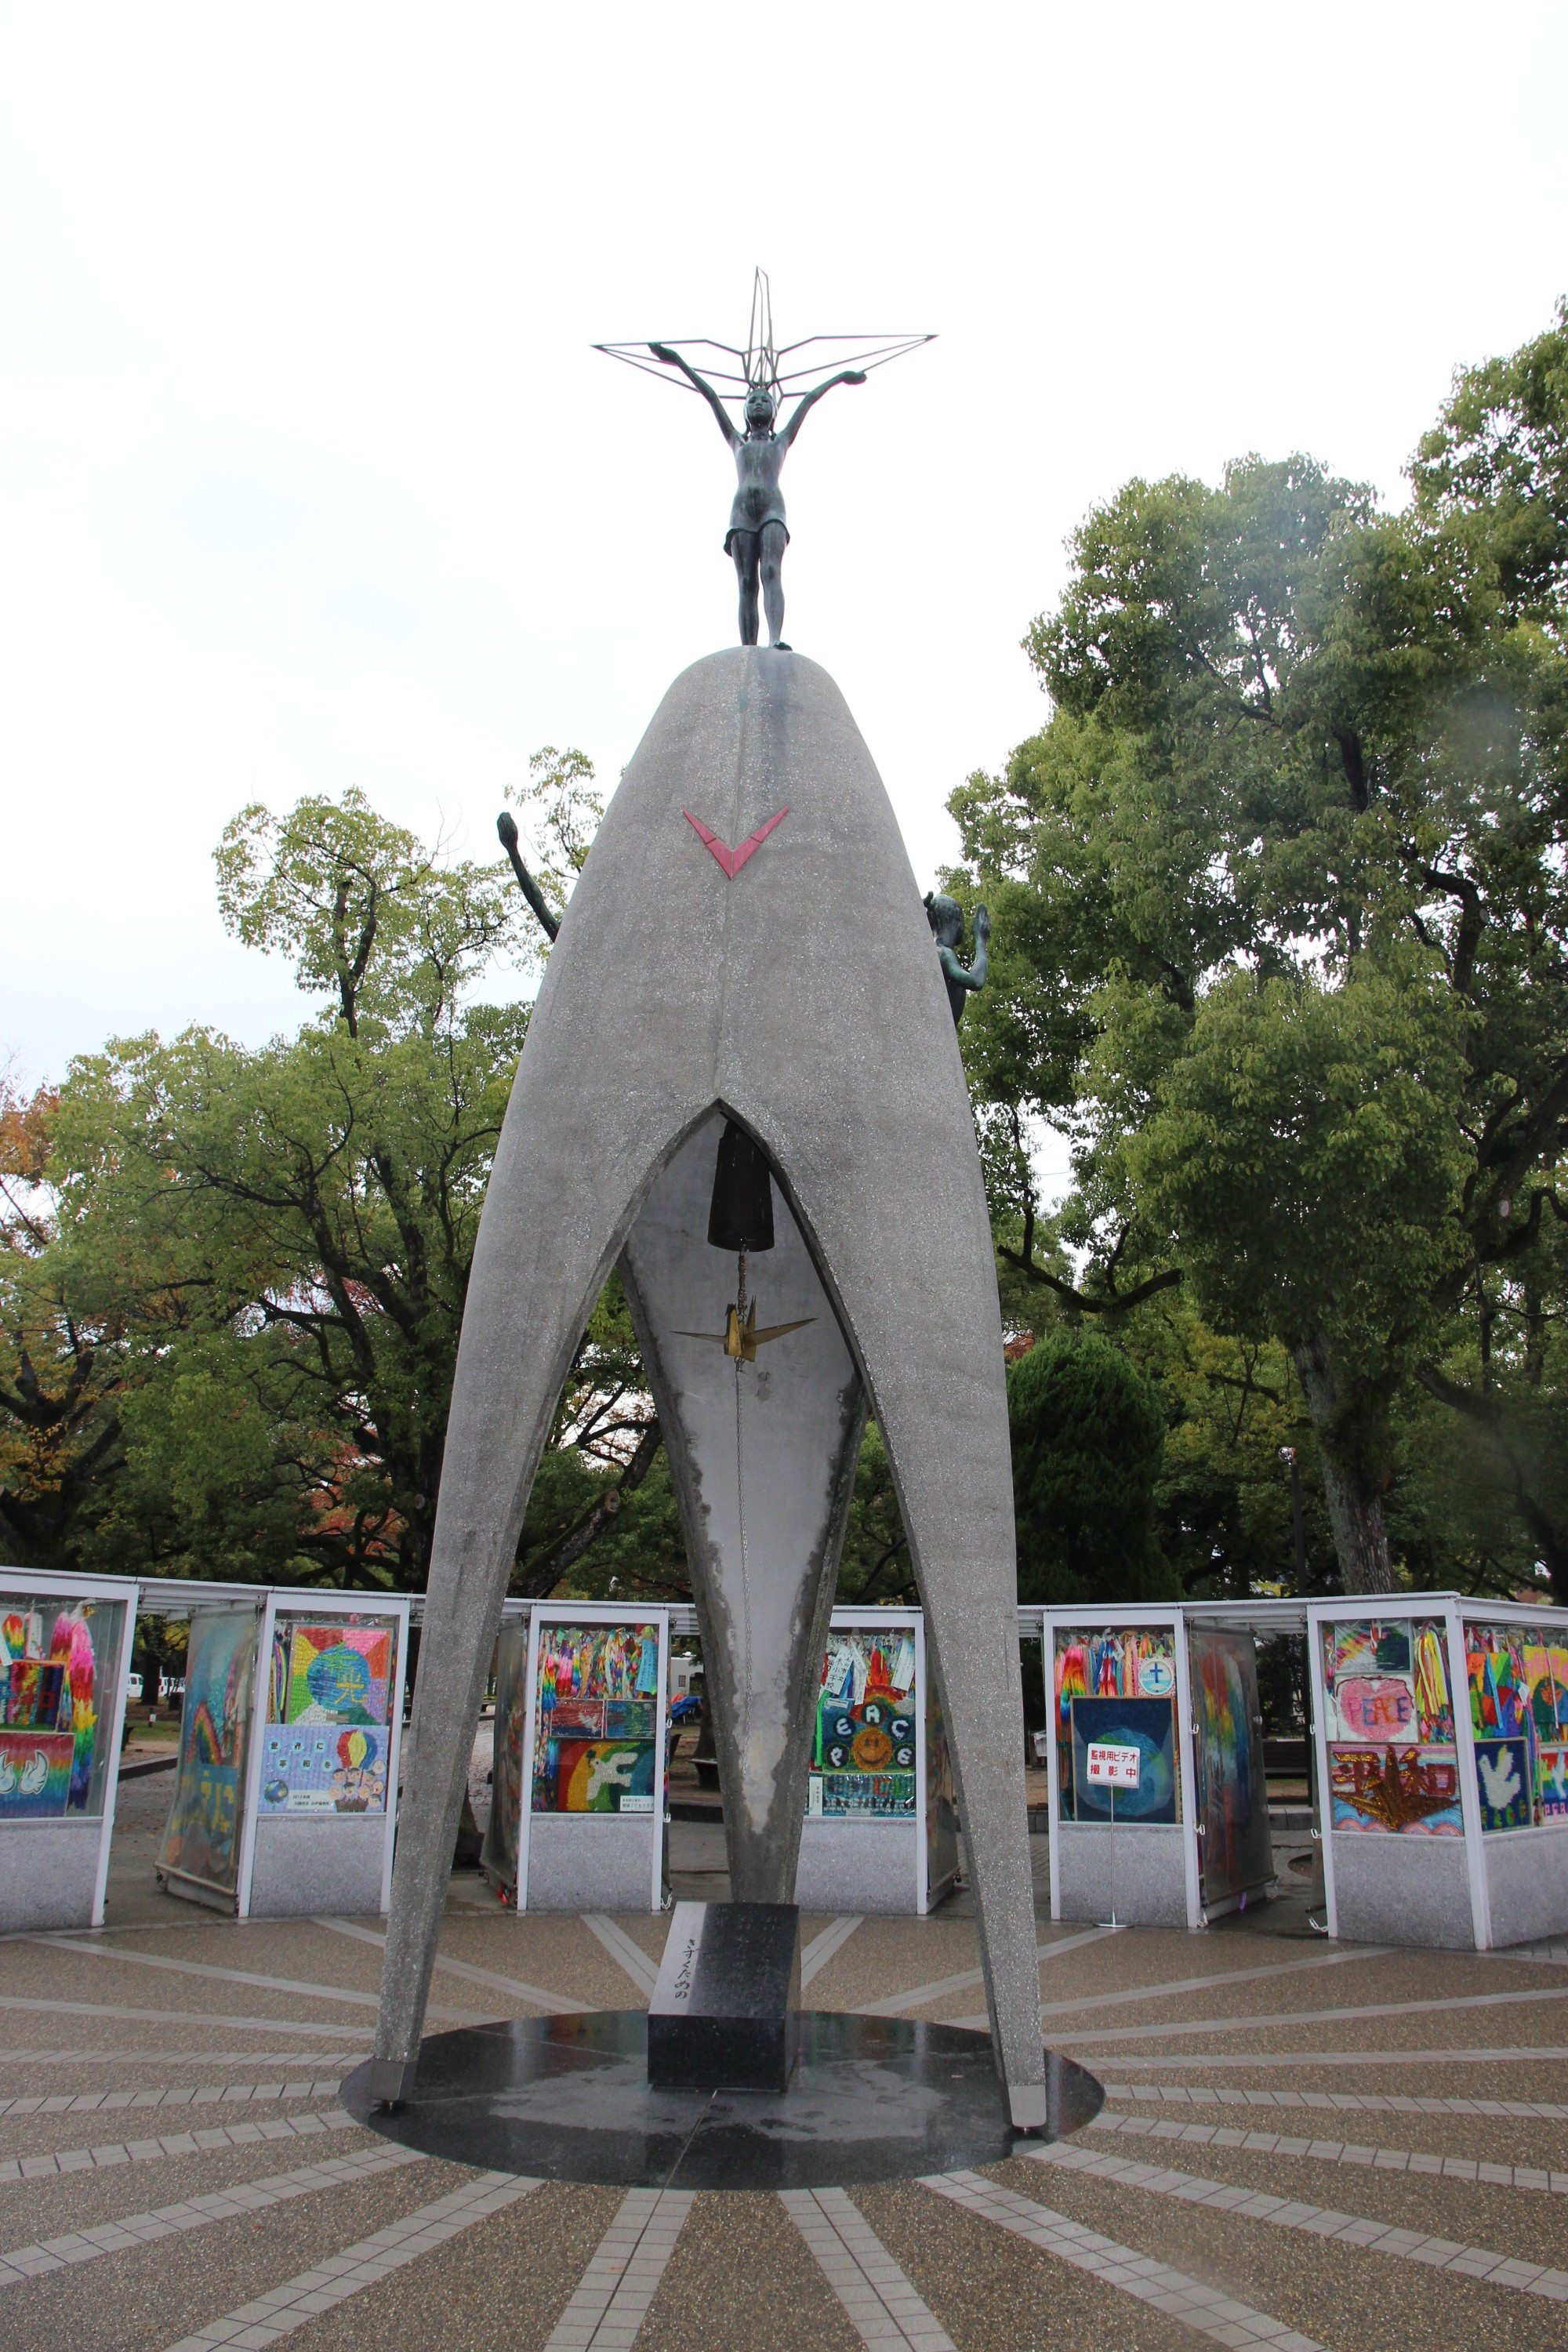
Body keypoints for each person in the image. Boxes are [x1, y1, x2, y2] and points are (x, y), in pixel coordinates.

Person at [648, 343, 866, 648]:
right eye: (753, 401)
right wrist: (678, 360)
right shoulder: (737, 441)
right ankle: (748, 650)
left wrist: (842, 376)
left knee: (772, 570)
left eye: (765, 400)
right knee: (746, 582)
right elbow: (710, 395)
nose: (759, 403)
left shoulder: (782, 442)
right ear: (746, 410)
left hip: (772, 509)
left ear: (775, 412)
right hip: (742, 513)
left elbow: (809, 399)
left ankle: (775, 639)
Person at [924, 892, 990, 1025]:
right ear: (957, 921)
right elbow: (976, 981)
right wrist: (980, 940)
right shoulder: (943, 953)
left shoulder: (934, 952)